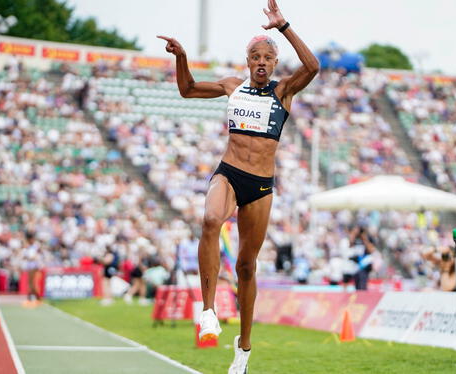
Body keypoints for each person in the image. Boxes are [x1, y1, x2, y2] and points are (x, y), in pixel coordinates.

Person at [158, 0, 319, 372]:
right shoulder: (233, 86)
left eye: (267, 57)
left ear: (275, 63)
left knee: (247, 266)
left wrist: (283, 27)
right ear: (247, 62)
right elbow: (188, 90)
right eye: (255, 56)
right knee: (210, 221)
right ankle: (208, 311)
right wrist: (181, 57)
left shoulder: (284, 93)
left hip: (261, 186)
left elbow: (313, 66)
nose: (261, 62)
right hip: (229, 172)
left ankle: (243, 350)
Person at [348, 225, 376, 290]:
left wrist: (364, 238)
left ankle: (363, 296)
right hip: (356, 264)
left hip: (364, 264)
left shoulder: (368, 237)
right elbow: (350, 246)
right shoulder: (356, 238)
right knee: (357, 283)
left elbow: (371, 250)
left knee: (362, 282)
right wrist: (353, 236)